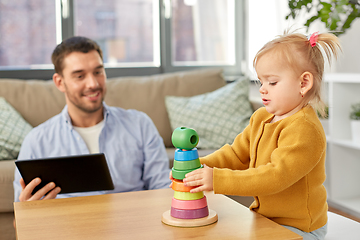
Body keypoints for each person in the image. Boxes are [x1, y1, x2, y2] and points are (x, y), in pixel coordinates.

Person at [181, 31, 341, 240]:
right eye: (260, 82)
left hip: (300, 228)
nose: (263, 90)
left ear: (303, 83)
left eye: (272, 83)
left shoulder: (305, 129)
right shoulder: (262, 117)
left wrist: (218, 179)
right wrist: (197, 166)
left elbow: (274, 176)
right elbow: (236, 154)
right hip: (266, 219)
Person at [14, 36, 171, 202]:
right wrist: (26, 211)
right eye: (80, 76)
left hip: (131, 224)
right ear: (60, 82)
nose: (93, 84)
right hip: (68, 226)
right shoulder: (37, 141)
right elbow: (20, 222)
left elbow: (162, 190)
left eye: (98, 72)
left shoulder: (140, 124)